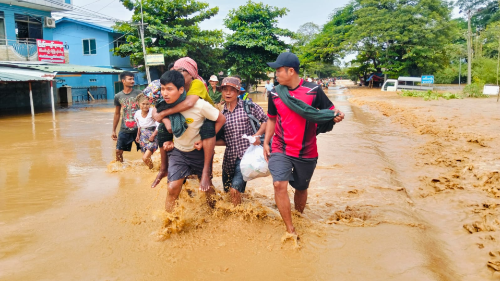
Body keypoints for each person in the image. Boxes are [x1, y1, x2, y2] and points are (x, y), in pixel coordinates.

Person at [264, 52, 345, 235]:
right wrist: (266, 142)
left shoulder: (313, 90)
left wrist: (337, 117)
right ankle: (290, 229)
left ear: (290, 71)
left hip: (306, 151)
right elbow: (271, 119)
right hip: (280, 147)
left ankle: (299, 217)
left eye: (278, 70)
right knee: (279, 185)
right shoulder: (275, 93)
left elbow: (330, 111)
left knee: (301, 188)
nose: (275, 75)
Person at [159, 70, 226, 212]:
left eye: (169, 89)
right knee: (172, 188)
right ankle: (169, 225)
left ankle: (216, 212)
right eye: (163, 89)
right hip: (179, 152)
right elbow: (156, 114)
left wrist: (204, 141)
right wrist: (169, 137)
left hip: (199, 152)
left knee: (207, 189)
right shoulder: (165, 105)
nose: (165, 93)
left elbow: (221, 119)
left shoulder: (200, 105)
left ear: (181, 89)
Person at [151, 57, 216, 189]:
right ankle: (164, 168)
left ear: (191, 73)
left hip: (208, 118)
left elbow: (189, 103)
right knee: (163, 128)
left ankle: (205, 173)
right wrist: (164, 119)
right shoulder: (172, 86)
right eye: (175, 70)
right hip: (187, 123)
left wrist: (163, 114)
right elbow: (156, 107)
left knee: (207, 128)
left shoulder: (196, 83)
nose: (177, 73)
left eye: (180, 70)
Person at [216, 77, 267, 206]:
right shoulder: (221, 114)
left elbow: (267, 120)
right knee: (227, 191)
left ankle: (237, 222)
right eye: (225, 90)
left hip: (246, 157)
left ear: (238, 92)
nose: (228, 93)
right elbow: (224, 140)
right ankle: (236, 211)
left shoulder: (249, 106)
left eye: (232, 90)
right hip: (229, 158)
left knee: (234, 190)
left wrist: (257, 135)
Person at [112, 71, 142, 162]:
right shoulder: (118, 96)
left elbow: (147, 108)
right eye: (130, 79)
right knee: (118, 151)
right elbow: (117, 113)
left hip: (139, 128)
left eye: (133, 79)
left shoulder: (139, 93)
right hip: (124, 129)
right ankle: (120, 173)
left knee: (146, 152)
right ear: (123, 81)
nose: (132, 81)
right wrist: (113, 130)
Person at [134, 93, 159, 169]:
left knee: (145, 158)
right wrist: (138, 135)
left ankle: (154, 171)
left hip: (153, 136)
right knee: (146, 159)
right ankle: (152, 170)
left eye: (147, 104)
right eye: (143, 104)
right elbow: (139, 125)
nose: (145, 106)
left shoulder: (152, 112)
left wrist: (153, 135)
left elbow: (159, 125)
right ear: (138, 104)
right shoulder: (137, 113)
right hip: (143, 136)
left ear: (150, 104)